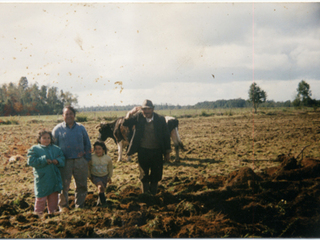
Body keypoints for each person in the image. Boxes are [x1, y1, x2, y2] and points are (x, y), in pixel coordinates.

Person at [123, 99, 171, 195]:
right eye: (144, 109)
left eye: (148, 109)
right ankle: (145, 194)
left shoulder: (160, 119)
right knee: (144, 174)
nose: (146, 111)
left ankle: (153, 194)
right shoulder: (139, 117)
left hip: (157, 151)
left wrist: (167, 152)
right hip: (143, 151)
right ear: (142, 110)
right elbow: (126, 123)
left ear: (152, 109)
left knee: (156, 174)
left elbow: (166, 136)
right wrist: (130, 113)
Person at [52, 106, 91, 210]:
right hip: (64, 162)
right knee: (64, 186)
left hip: (80, 161)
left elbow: (87, 143)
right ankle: (63, 207)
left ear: (74, 115)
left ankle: (80, 206)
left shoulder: (81, 128)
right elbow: (53, 147)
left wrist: (86, 159)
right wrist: (56, 161)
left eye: (71, 114)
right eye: (66, 114)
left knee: (81, 185)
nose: (69, 116)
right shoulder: (57, 129)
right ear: (63, 116)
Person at [27, 129, 65, 216]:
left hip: (54, 179)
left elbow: (62, 159)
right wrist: (43, 160)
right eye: (44, 138)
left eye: (48, 138)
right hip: (42, 179)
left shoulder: (56, 149)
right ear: (39, 139)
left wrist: (57, 161)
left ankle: (52, 215)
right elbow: (30, 161)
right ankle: (37, 215)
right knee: (41, 199)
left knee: (53, 198)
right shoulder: (35, 149)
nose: (47, 140)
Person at [88, 141, 113, 206]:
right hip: (95, 176)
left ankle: (98, 203)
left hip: (104, 176)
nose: (97, 151)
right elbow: (88, 167)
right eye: (95, 149)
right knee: (100, 187)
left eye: (99, 149)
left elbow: (110, 168)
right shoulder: (92, 158)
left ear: (103, 149)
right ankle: (104, 203)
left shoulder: (107, 159)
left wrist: (109, 177)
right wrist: (89, 175)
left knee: (102, 190)